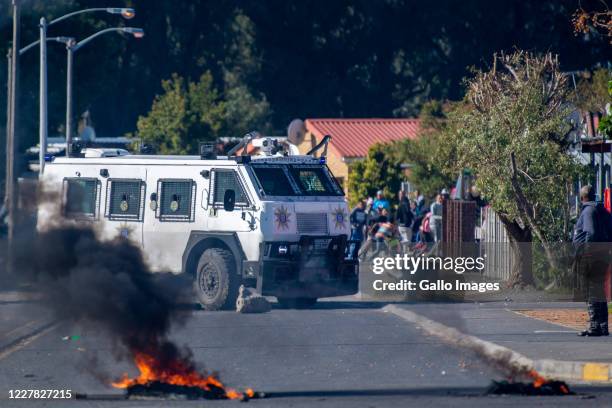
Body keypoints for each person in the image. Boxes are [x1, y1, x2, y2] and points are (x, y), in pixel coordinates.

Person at [573, 185, 612, 337]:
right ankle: (602, 326)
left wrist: (586, 250)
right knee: (598, 290)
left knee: (590, 290)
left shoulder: (588, 211)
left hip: (590, 256)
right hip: (602, 254)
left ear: (582, 198)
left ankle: (594, 326)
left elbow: (591, 232)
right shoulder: (602, 211)